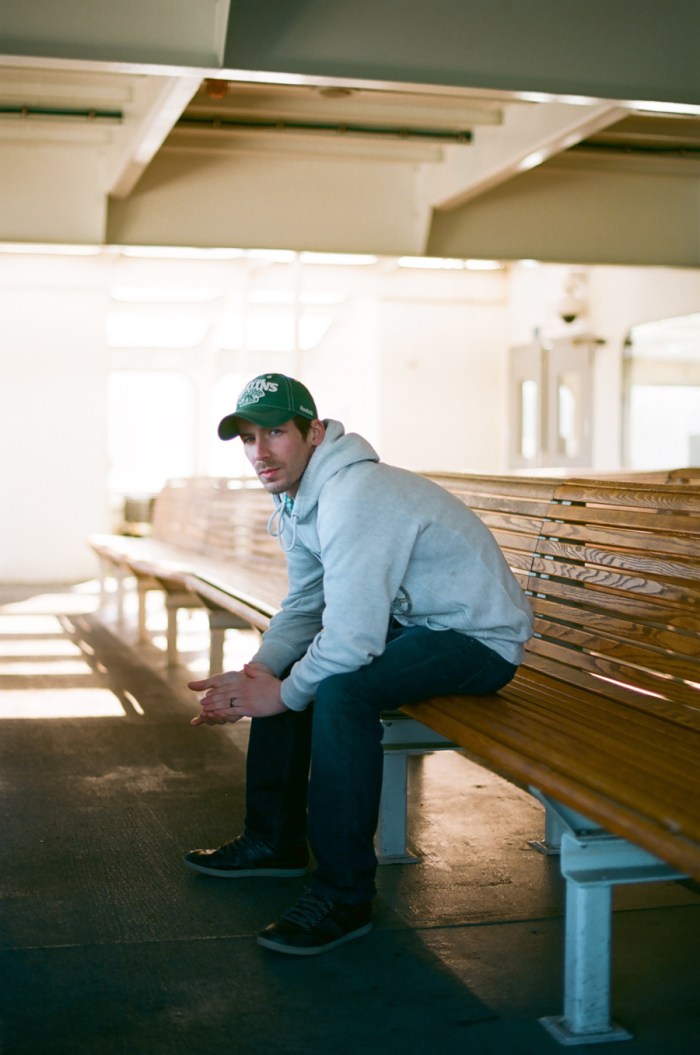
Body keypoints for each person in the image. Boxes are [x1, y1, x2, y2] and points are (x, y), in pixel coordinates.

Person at [184, 372, 533, 957]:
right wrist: (261, 671)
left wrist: (285, 695)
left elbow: (351, 641)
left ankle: (344, 894)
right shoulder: (298, 499)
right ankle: (273, 842)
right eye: (248, 438)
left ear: (313, 432)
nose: (260, 453)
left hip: (477, 640)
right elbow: (305, 602)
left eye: (275, 433)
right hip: (419, 626)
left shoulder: (356, 496)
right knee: (295, 665)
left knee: (341, 689)